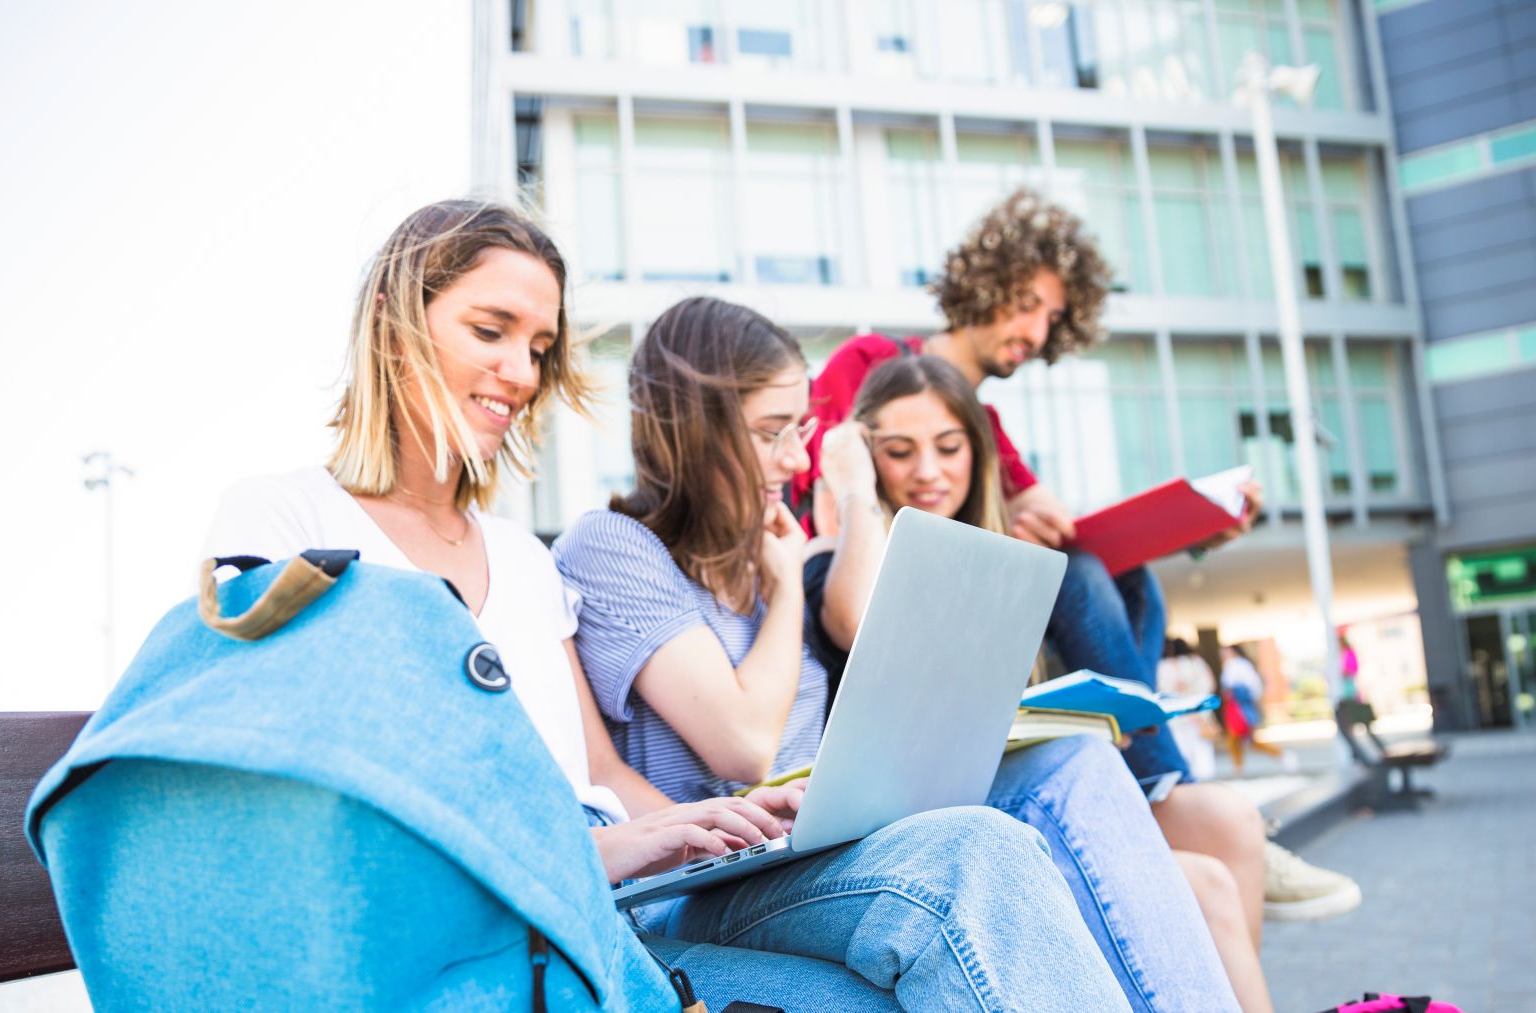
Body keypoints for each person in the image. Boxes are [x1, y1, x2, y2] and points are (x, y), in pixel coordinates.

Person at [199, 199, 1132, 1011]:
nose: (522, 373)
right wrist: (589, 853)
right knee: (968, 866)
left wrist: (716, 831)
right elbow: (316, 799)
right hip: (482, 934)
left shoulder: (526, 560)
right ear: (394, 321)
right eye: (491, 330)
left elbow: (597, 770)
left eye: (538, 347)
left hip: (602, 913)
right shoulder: (283, 515)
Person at [556, 295, 1240, 1013]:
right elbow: (742, 745)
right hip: (704, 884)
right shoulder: (616, 546)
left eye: (800, 430)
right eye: (770, 433)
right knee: (975, 853)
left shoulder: (766, 546)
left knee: (1076, 762)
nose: (794, 458)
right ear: (691, 434)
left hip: (817, 841)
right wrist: (787, 580)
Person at [795, 187, 1362, 931]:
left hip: (972, 609)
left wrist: (1194, 528)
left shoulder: (990, 425)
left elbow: (1055, 525)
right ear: (985, 283)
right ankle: (1164, 785)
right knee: (1088, 574)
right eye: (1027, 302)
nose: (1037, 328)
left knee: (1126, 577)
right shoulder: (872, 360)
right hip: (874, 590)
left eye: (1053, 316)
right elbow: (828, 479)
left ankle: (1155, 781)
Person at [806, 354, 1273, 1013]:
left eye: (948, 446)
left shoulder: (1001, 551)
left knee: (1232, 822)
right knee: (1205, 888)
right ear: (865, 452)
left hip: (1033, 780)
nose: (929, 471)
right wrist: (852, 486)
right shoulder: (845, 548)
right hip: (931, 816)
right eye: (898, 451)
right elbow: (854, 619)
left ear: (978, 447)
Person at [1219, 644, 1292, 774]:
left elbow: (1239, 686)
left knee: (1238, 738)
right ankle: (1239, 767)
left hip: (1238, 707)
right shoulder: (1240, 665)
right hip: (1239, 706)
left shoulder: (1237, 665)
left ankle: (1280, 755)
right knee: (1242, 740)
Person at [1157, 639, 1219, 781]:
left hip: (1174, 717)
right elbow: (1208, 686)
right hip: (1197, 714)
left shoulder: (1161, 666)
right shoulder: (1196, 663)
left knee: (1182, 753)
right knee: (1202, 755)